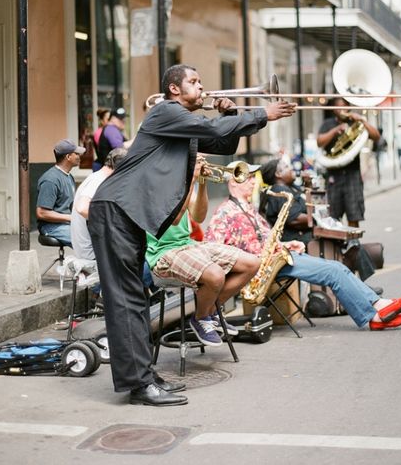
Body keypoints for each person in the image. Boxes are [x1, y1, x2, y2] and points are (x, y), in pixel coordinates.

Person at [88, 63, 295, 407]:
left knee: (136, 299)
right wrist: (263, 113)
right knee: (125, 301)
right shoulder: (164, 112)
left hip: (128, 215)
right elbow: (211, 126)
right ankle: (139, 385)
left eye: (201, 81)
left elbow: (222, 141)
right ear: (173, 89)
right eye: (194, 82)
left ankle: (144, 376)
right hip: (115, 210)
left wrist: (236, 114)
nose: (202, 88)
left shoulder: (182, 125)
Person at [204, 170, 401, 332]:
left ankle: (376, 309)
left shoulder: (250, 209)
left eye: (253, 177)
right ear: (233, 182)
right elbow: (212, 248)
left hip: (273, 260)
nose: (253, 182)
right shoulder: (224, 212)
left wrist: (287, 245)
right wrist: (243, 264)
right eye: (248, 178)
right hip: (259, 269)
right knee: (334, 271)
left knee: (335, 267)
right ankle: (377, 312)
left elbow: (267, 240)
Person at [146, 155, 260, 346]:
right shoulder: (151, 186)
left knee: (252, 263)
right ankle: (200, 318)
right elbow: (174, 217)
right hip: (163, 253)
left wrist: (202, 182)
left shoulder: (180, 184)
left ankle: (210, 312)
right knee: (215, 275)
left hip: (188, 245)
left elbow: (198, 216)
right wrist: (191, 178)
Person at [317, 97, 380, 228]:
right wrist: (335, 131)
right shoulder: (328, 124)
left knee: (354, 214)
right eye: (339, 107)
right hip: (334, 175)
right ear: (334, 109)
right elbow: (319, 142)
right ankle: (337, 246)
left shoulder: (356, 122)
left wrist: (362, 120)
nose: (342, 110)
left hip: (352, 175)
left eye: (345, 106)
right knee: (333, 215)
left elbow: (376, 136)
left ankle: (354, 245)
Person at [71, 147, 128, 261]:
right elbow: (82, 208)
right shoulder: (98, 181)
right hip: (90, 253)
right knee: (141, 264)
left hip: (90, 246)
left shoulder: (96, 177)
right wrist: (112, 222)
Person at [36, 139, 85, 246]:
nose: (79, 157)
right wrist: (71, 218)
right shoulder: (50, 180)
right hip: (51, 227)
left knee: (98, 235)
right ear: (68, 157)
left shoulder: (68, 177)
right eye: (76, 154)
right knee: (86, 242)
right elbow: (41, 213)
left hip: (66, 224)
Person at [259, 158, 312, 246]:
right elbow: (295, 219)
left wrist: (308, 183)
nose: (291, 168)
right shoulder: (280, 191)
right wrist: (316, 218)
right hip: (295, 243)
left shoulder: (290, 187)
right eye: (287, 167)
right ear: (278, 174)